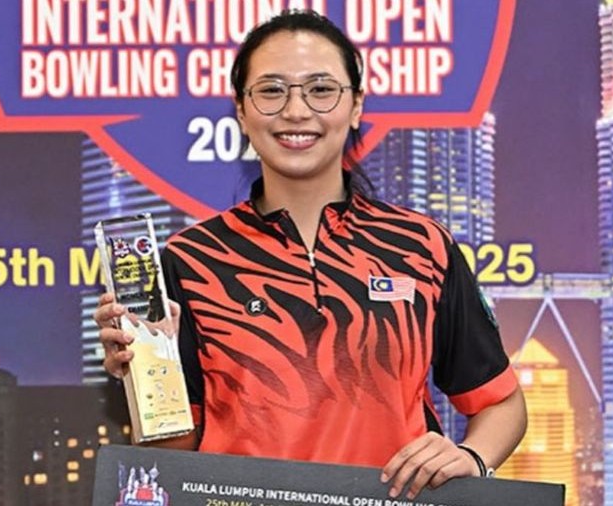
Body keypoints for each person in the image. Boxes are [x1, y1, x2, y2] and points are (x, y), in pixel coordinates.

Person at [95, 9, 527, 500]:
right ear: (242, 111)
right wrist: (146, 375)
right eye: (272, 90)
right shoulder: (190, 259)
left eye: (321, 89)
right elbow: (173, 458)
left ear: (356, 106)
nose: (296, 111)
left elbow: (501, 403)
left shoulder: (421, 246)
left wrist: (472, 457)